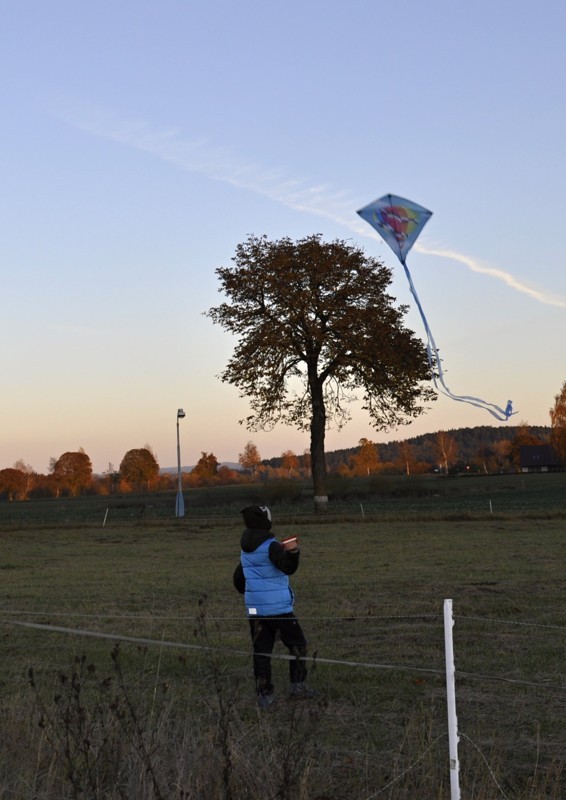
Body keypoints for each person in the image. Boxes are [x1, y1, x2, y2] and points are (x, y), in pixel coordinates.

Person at [233, 505, 315, 708]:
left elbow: (238, 580)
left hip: (255, 611)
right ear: (266, 522)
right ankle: (298, 685)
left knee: (261, 651)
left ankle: (264, 695)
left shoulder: (246, 550)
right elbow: (288, 567)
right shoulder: (271, 546)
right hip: (278, 609)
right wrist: (293, 551)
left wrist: (254, 593)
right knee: (298, 644)